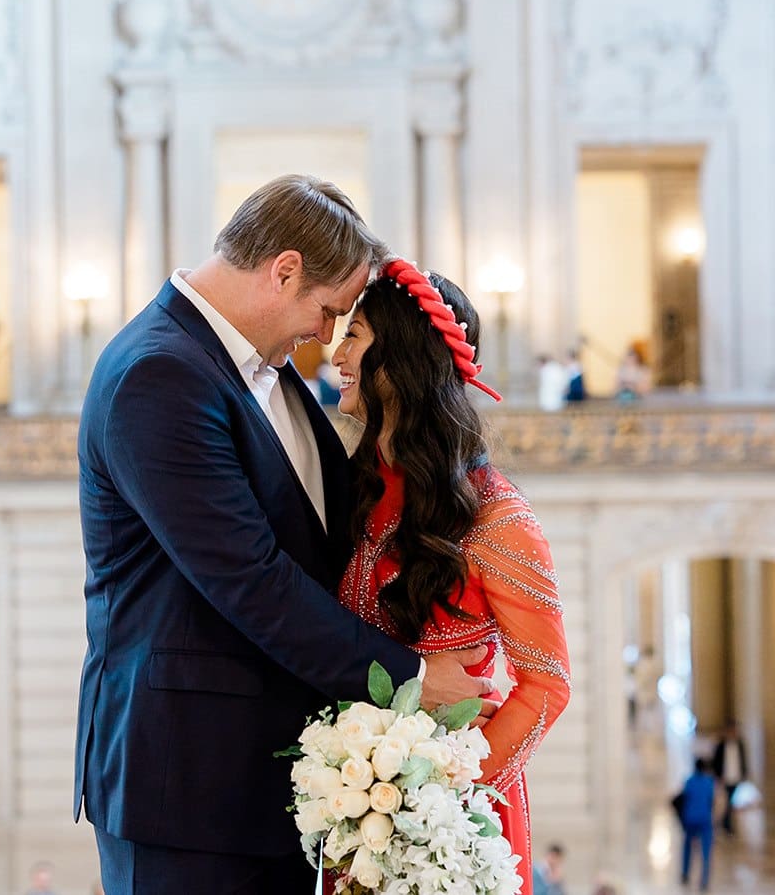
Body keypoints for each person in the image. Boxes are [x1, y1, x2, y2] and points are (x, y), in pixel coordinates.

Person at [75, 176, 498, 895]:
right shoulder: (159, 374)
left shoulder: (258, 365)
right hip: (185, 785)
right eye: (328, 310)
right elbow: (251, 580)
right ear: (284, 270)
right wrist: (413, 680)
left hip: (273, 784)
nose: (328, 336)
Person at [334, 261, 572, 895]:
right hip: (354, 807)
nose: (334, 355)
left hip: (454, 823)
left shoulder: (497, 516)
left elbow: (546, 685)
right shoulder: (351, 494)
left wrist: (441, 794)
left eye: (353, 336)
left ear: (400, 359)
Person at [676, 757, 718, 891]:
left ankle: (685, 873)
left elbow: (684, 798)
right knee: (706, 850)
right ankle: (704, 880)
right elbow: (711, 801)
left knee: (687, 847)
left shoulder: (689, 781)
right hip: (704, 819)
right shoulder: (709, 782)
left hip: (690, 818)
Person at [711, 721, 749, 834]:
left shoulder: (740, 744)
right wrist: (718, 776)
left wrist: (744, 773)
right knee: (727, 800)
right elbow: (716, 762)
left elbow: (743, 760)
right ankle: (726, 824)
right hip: (725, 777)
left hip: (736, 776)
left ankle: (727, 822)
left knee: (732, 801)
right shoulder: (721, 745)